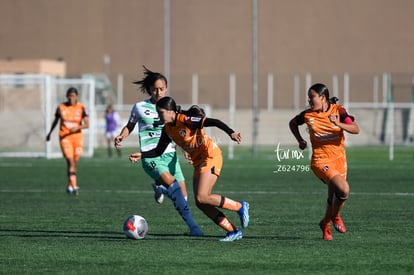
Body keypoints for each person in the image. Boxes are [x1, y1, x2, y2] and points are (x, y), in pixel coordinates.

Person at [129, 96, 250, 242]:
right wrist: (142, 155)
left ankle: (240, 206)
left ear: (170, 111)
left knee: (202, 196)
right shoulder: (167, 129)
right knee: (200, 203)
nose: (159, 116)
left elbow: (215, 122)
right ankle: (233, 231)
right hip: (198, 162)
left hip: (210, 156)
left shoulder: (185, 120)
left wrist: (232, 133)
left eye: (161, 112)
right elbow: (158, 151)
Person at [114, 66, 203, 237]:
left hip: (170, 155)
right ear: (149, 90)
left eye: (162, 89)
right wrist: (121, 136)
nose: (158, 92)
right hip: (151, 156)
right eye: (155, 89)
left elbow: (179, 131)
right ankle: (194, 228)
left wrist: (186, 150)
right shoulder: (139, 107)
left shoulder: (171, 107)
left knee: (183, 197)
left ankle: (160, 189)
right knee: (174, 187)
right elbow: (130, 126)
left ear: (166, 89)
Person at [289, 83, 360, 241]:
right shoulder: (307, 115)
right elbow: (292, 123)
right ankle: (335, 216)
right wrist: (300, 140)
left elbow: (355, 129)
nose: (309, 100)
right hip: (320, 161)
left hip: (339, 159)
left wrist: (338, 123)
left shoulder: (339, 111)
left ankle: (325, 224)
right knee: (344, 190)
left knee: (334, 195)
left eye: (312, 96)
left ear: (322, 98)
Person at [46, 87, 89, 195]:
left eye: (73, 96)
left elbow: (87, 124)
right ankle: (74, 187)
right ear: (66, 96)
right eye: (69, 96)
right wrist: (50, 133)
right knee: (70, 161)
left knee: (74, 163)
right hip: (65, 137)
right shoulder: (61, 107)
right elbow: (55, 121)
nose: (71, 98)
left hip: (77, 138)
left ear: (77, 97)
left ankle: (69, 186)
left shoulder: (81, 107)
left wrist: (78, 127)